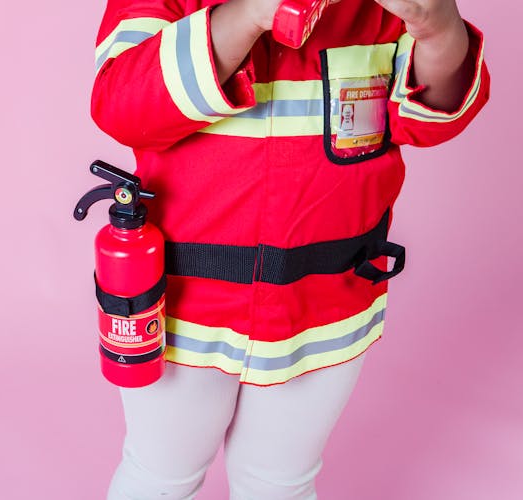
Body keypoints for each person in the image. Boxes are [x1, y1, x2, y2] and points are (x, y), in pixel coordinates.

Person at [90, 0, 490, 498]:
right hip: (181, 305)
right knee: (161, 472)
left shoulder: (379, 12)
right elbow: (121, 107)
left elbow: (430, 121)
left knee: (280, 479)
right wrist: (248, 15)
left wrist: (439, 31)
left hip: (327, 305)